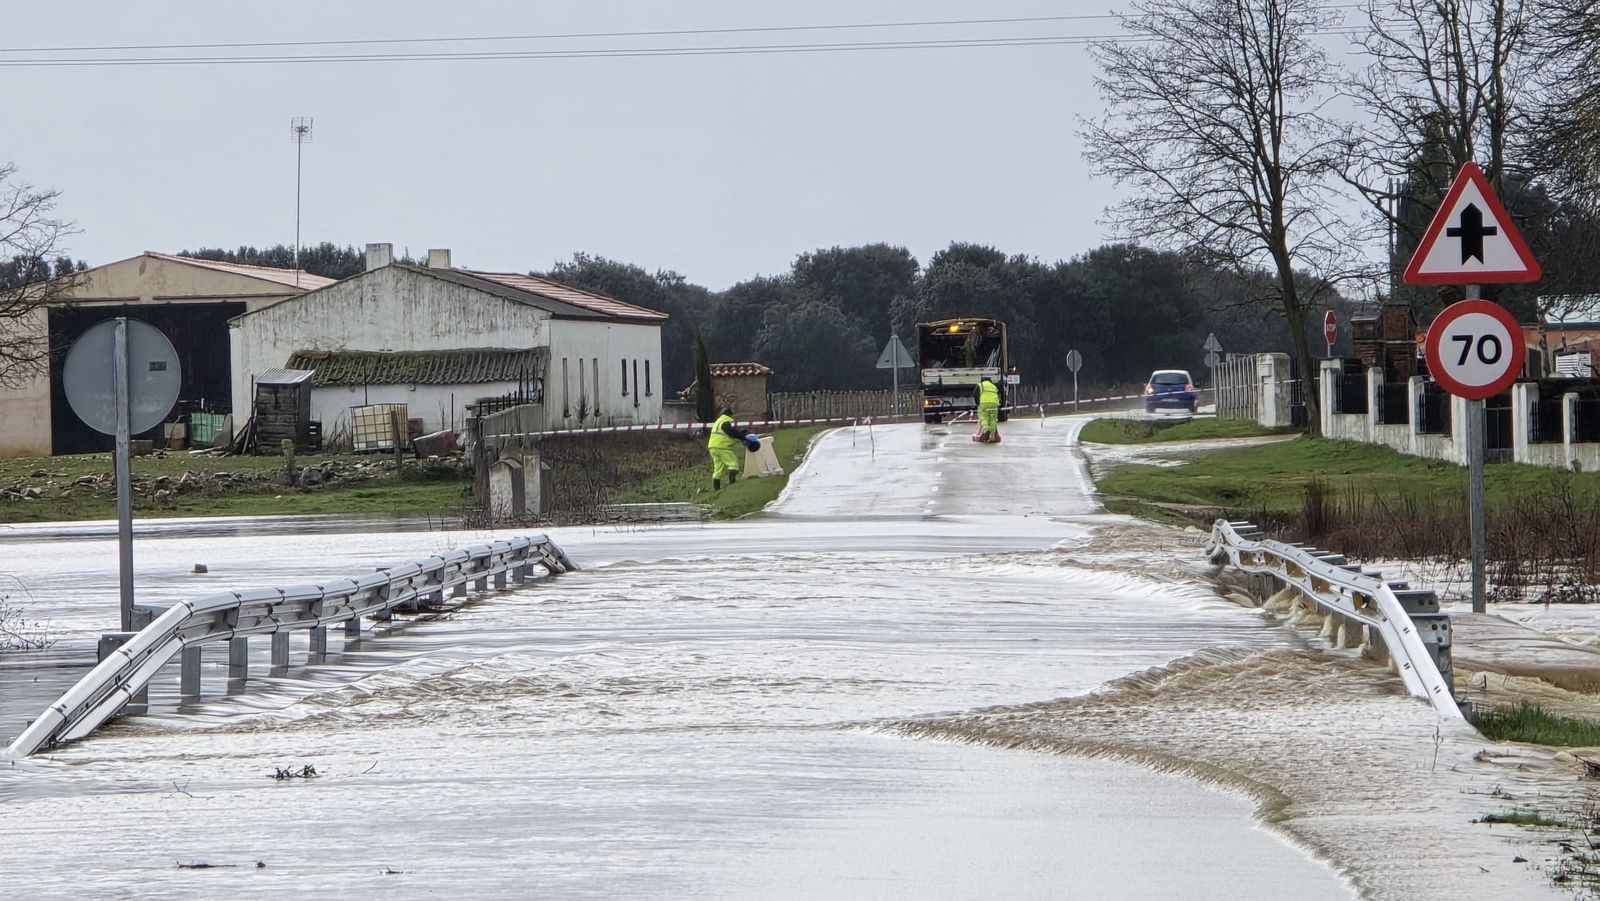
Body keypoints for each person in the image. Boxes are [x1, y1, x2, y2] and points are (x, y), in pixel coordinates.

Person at [707, 405, 746, 490]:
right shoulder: (725, 421)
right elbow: (730, 431)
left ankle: (716, 488)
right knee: (733, 463)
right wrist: (742, 436)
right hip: (722, 446)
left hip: (713, 447)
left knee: (718, 468)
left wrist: (739, 433)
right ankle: (732, 482)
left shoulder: (718, 421)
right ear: (729, 414)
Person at [975, 376, 1002, 443]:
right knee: (993, 419)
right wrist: (999, 404)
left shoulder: (980, 385)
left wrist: (978, 403)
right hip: (994, 404)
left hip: (984, 404)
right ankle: (992, 436)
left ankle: (985, 433)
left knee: (984, 418)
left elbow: (975, 394)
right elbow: (998, 394)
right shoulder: (993, 386)